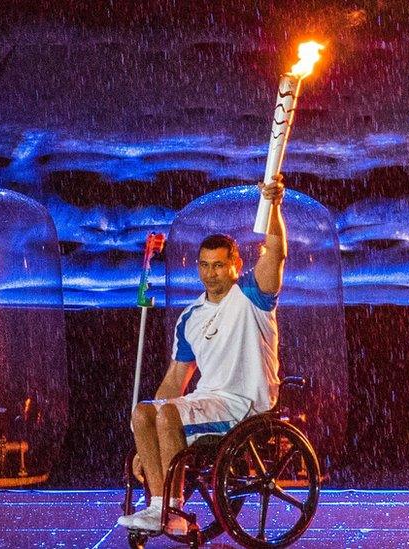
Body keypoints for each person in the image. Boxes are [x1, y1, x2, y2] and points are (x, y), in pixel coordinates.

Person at [117, 176, 287, 533]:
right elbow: (175, 380)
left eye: (219, 265)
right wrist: (142, 442)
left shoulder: (251, 297)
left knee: (168, 418)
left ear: (235, 265)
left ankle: (173, 510)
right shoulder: (190, 317)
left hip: (245, 403)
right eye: (204, 266)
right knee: (145, 412)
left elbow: (276, 253)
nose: (211, 274)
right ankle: (158, 507)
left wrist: (273, 207)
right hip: (207, 401)